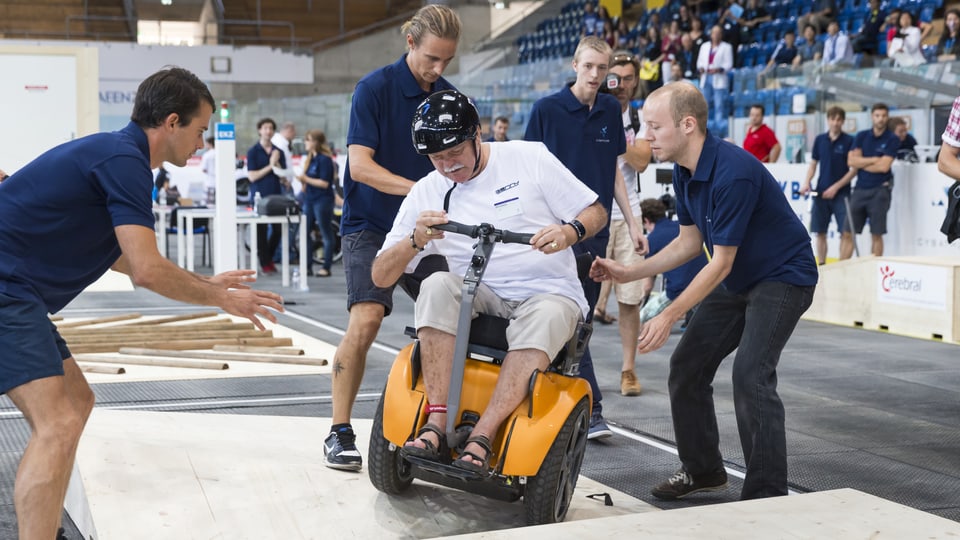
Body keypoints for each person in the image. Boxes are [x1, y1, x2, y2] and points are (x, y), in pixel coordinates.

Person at [0, 66, 284, 540]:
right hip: (6, 290)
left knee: (77, 401)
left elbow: (127, 259)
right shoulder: (123, 161)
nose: (201, 144)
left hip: (17, 291)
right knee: (59, 421)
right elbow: (148, 269)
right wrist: (218, 298)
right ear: (171, 122)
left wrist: (204, 282)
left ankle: (46, 525)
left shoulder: (118, 155)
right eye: (199, 131)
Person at [590, 81, 818, 501]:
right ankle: (704, 470)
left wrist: (668, 313)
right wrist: (629, 271)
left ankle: (767, 495)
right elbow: (689, 243)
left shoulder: (733, 173)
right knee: (687, 366)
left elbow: (721, 262)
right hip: (740, 277)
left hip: (784, 276)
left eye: (654, 127)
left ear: (688, 125)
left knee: (751, 374)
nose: (646, 138)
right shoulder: (684, 168)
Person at [370, 89, 607, 473]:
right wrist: (415, 241)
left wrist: (570, 232)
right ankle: (437, 419)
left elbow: (595, 212)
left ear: (477, 136)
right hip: (480, 293)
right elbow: (381, 274)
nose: (446, 166)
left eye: (454, 154)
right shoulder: (428, 190)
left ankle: (483, 434)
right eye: (436, 158)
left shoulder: (528, 158)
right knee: (437, 286)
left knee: (548, 314)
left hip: (547, 292)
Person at [329, 3, 461, 472]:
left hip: (426, 228)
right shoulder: (374, 89)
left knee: (456, 309)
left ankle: (439, 422)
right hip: (372, 224)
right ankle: (339, 431)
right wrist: (419, 191)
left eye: (447, 60)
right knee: (366, 320)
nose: (438, 69)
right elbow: (360, 167)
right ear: (410, 43)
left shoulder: (448, 96)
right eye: (431, 58)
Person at [524, 36, 647, 439]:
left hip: (595, 233)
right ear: (575, 65)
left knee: (581, 324)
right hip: (555, 233)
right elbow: (528, 171)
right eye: (589, 66)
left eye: (602, 68)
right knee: (570, 318)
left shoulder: (612, 109)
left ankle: (565, 408)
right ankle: (590, 409)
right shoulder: (546, 110)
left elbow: (613, 171)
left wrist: (631, 221)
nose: (596, 75)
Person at [594, 50, 653, 397]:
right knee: (581, 297)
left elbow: (642, 160)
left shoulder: (640, 116)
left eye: (629, 78)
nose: (622, 85)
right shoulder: (594, 109)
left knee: (629, 299)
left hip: (628, 214)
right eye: (615, 78)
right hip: (595, 214)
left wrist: (618, 133)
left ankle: (628, 370)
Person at [636, 198, 708, 327]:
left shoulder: (651, 240)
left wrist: (638, 302)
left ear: (646, 220)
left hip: (678, 289)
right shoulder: (681, 227)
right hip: (704, 282)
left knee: (639, 319)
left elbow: (647, 286)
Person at [799, 106, 856, 263]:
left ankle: (842, 266)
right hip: (821, 192)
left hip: (842, 194)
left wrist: (836, 187)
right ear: (828, 120)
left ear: (843, 121)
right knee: (820, 232)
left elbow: (854, 170)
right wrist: (806, 182)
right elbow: (813, 164)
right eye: (833, 119)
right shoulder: (820, 140)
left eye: (839, 120)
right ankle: (822, 266)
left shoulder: (850, 141)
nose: (835, 123)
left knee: (846, 232)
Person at [848, 103, 898, 257]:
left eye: (883, 116)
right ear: (872, 116)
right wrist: (875, 159)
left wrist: (862, 162)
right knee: (848, 232)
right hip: (859, 189)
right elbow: (851, 162)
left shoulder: (892, 139)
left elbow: (884, 167)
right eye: (877, 115)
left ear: (887, 117)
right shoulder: (862, 136)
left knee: (876, 234)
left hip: (880, 191)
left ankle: (874, 270)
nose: (880, 119)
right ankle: (841, 270)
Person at [246, 118, 286, 274]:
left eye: (271, 128)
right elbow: (252, 176)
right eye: (265, 128)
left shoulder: (278, 152)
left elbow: (282, 175)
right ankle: (265, 263)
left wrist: (277, 165)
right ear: (259, 130)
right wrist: (270, 164)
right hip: (259, 196)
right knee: (261, 232)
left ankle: (266, 258)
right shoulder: (253, 152)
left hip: (276, 197)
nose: (268, 131)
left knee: (278, 229)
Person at [299, 129, 337, 277]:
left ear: (315, 142)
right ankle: (307, 265)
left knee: (325, 232)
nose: (305, 143)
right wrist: (303, 182)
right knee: (305, 232)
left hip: (322, 200)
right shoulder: (310, 159)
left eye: (308, 140)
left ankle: (326, 267)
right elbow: (308, 181)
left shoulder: (325, 160)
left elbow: (324, 183)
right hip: (309, 199)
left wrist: (305, 179)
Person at [697, 25, 734, 139]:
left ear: (721, 35)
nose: (716, 35)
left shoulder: (726, 47)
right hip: (706, 77)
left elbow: (729, 64)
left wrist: (719, 69)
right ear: (711, 34)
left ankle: (719, 132)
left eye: (718, 33)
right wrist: (701, 68)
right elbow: (699, 62)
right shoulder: (704, 46)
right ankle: (704, 130)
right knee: (704, 105)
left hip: (719, 77)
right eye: (714, 33)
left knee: (719, 105)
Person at [271, 121, 297, 194]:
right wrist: (284, 180)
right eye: (294, 133)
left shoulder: (282, 142)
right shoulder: (280, 143)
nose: (294, 135)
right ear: (289, 131)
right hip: (283, 183)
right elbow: (275, 162)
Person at [200, 135, 216, 204]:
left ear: (210, 143)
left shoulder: (207, 155)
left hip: (210, 183)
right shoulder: (221, 153)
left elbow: (203, 169)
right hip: (220, 184)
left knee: (210, 206)